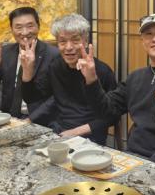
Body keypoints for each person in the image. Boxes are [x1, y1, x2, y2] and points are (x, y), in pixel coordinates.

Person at [76, 13, 155, 165]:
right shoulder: (135, 77)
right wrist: (91, 79)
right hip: (132, 157)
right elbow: (106, 111)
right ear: (142, 41)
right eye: (148, 34)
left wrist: (148, 166)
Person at [20, 13, 117, 145]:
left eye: (75, 40)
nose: (69, 47)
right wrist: (28, 70)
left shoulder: (102, 71)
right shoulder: (55, 66)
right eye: (62, 41)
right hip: (58, 131)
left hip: (90, 137)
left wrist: (74, 132)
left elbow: (112, 116)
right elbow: (32, 97)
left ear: (85, 41)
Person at [0, 7, 59, 124]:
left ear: (38, 26)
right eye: (19, 27)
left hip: (41, 121)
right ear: (12, 29)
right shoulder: (5, 52)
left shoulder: (53, 55)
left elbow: (57, 97)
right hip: (9, 119)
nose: (25, 32)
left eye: (30, 26)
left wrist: (31, 119)